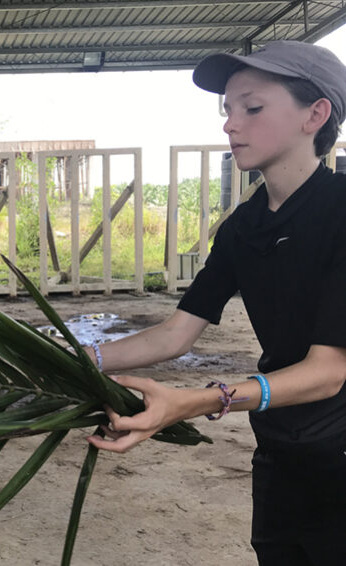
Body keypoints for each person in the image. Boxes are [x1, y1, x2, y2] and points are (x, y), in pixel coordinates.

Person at [84, 40, 346, 566]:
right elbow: (175, 334)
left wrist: (201, 400)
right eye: (227, 110)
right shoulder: (244, 228)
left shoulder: (340, 211)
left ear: (314, 115)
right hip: (281, 447)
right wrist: (72, 359)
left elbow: (329, 371)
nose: (230, 124)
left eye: (252, 107)